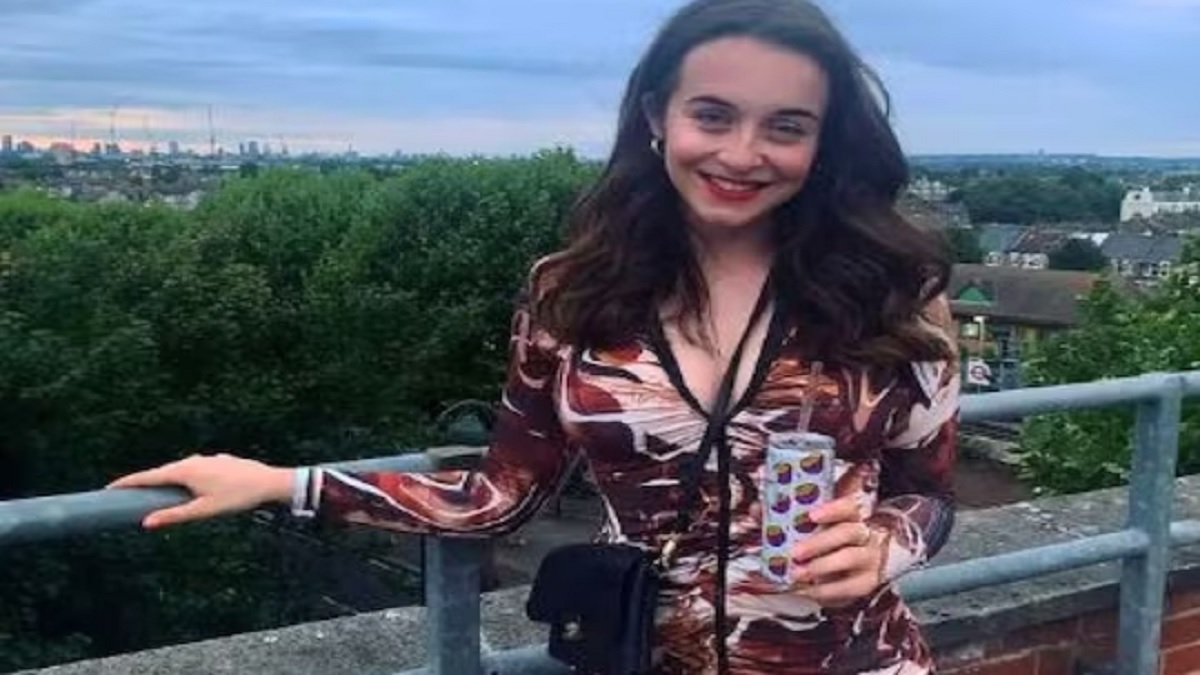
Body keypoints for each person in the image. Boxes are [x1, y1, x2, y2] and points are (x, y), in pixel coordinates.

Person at [108, 0, 961, 672]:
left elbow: (930, 492)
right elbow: (503, 493)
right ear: (658, 115)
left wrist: (888, 542)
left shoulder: (896, 290)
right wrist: (284, 483)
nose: (742, 153)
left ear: (823, 142)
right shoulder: (573, 290)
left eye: (786, 126)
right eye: (713, 115)